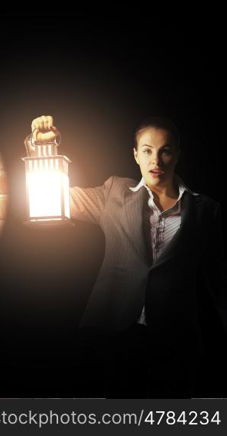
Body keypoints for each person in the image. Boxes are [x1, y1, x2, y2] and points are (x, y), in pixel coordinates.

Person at [28, 115, 226, 398]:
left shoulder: (206, 210)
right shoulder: (113, 193)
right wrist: (42, 148)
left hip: (176, 339)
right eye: (147, 150)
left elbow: (218, 283)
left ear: (177, 154)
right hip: (115, 333)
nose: (155, 160)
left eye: (165, 150)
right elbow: (53, 193)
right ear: (135, 154)